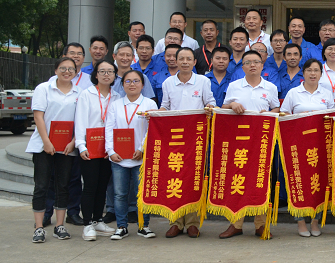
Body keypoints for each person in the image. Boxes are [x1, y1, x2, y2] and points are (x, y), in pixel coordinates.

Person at [218, 50, 280, 239]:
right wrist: (232, 105)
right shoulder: (234, 86)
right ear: (242, 67)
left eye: (256, 62)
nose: (252, 65)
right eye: (248, 62)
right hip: (238, 141)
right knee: (238, 179)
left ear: (262, 65)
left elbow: (277, 108)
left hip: (261, 141)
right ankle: (235, 223)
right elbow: (223, 108)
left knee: (261, 180)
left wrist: (268, 114)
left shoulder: (270, 87)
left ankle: (260, 224)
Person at [160, 47, 216, 238]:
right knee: (175, 176)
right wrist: (156, 114)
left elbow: (210, 102)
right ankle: (176, 222)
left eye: (188, 59)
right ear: (175, 61)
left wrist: (210, 108)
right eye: (181, 59)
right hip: (174, 138)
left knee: (193, 179)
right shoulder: (168, 83)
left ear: (194, 62)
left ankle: (192, 223)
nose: (184, 62)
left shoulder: (203, 81)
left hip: (196, 137)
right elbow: (165, 106)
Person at [280, 58, 335, 238]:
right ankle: (301, 221)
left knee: (318, 181)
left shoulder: (326, 93)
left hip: (320, 145)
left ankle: (315, 221)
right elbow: (283, 115)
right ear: (303, 73)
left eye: (316, 70)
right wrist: (301, 117)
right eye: (309, 70)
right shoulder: (293, 93)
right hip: (298, 145)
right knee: (299, 180)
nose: (313, 73)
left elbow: (332, 118)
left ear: (321, 74)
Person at [29, 57, 81, 243]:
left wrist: (74, 142)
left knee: (63, 185)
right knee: (41, 186)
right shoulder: (44, 88)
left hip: (67, 147)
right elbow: (38, 116)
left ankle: (60, 225)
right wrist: (46, 141)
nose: (67, 72)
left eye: (71, 69)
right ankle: (39, 227)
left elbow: (81, 120)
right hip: (43, 145)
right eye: (63, 68)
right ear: (55, 70)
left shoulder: (79, 92)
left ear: (76, 72)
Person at [105, 70, 157, 240]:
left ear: (142, 84)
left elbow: (153, 130)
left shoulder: (149, 104)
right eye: (128, 81)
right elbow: (109, 129)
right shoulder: (115, 105)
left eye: (136, 81)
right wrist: (111, 151)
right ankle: (121, 227)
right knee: (120, 194)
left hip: (141, 157)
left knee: (141, 193)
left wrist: (142, 149)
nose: (132, 84)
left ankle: (144, 226)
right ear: (122, 85)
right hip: (119, 158)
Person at [74, 60, 119, 241]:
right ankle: (87, 224)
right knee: (90, 186)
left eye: (110, 71)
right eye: (102, 71)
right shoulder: (87, 94)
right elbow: (80, 120)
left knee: (102, 186)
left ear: (115, 75)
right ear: (96, 74)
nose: (106, 75)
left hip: (108, 148)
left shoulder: (116, 96)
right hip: (90, 146)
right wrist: (81, 145)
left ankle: (98, 220)